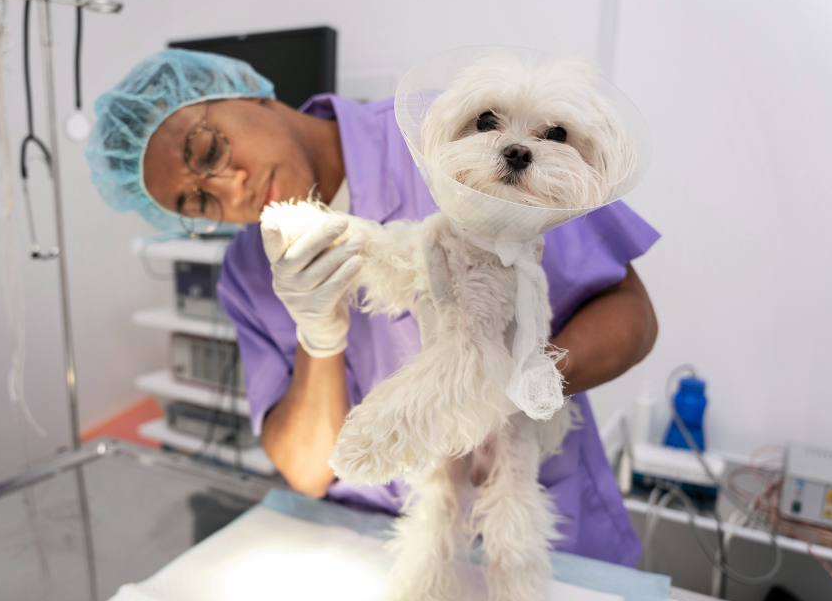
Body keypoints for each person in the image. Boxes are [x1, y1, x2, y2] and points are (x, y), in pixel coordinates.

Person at [87, 49, 659, 567]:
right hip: (372, 553)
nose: (230, 190)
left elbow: (631, 314)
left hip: (545, 531)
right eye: (199, 200)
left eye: (210, 149)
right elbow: (309, 471)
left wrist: (527, 377)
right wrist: (319, 335)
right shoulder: (247, 270)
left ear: (244, 89)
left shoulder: (461, 130)